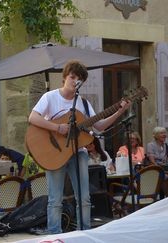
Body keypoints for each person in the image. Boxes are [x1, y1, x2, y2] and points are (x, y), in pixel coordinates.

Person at [28, 60, 130, 234]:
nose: (74, 81)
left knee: (84, 197)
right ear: (65, 77)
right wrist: (57, 127)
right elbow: (33, 118)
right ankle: (55, 235)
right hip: (54, 153)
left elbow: (99, 125)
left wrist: (119, 111)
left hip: (78, 153)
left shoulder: (82, 103)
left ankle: (84, 233)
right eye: (72, 77)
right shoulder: (50, 97)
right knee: (55, 199)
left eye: (78, 79)